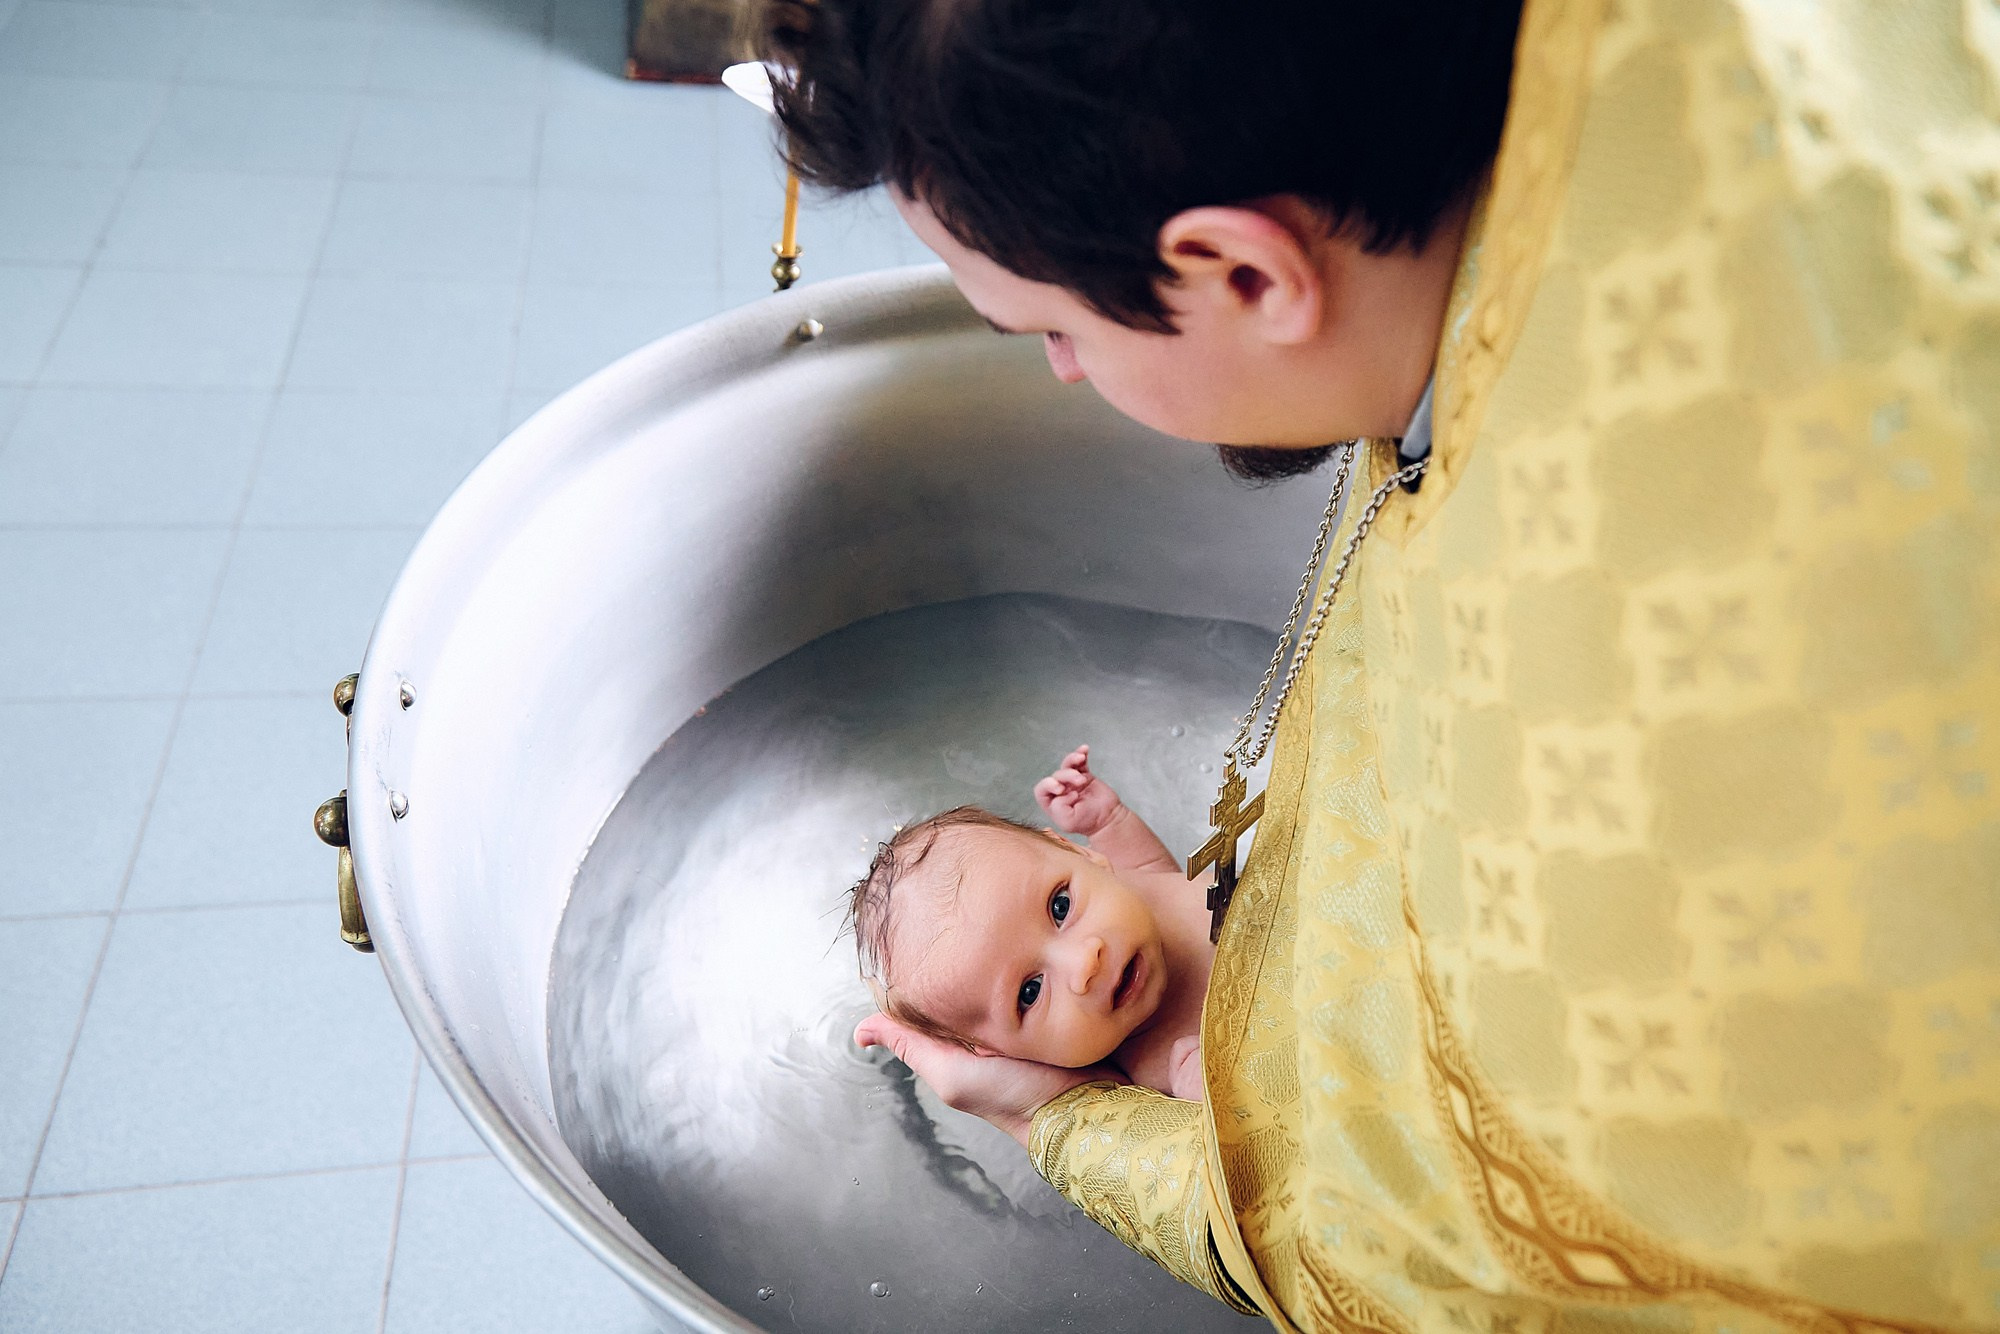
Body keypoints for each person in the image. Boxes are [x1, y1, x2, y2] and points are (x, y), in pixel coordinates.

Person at [772, 0, 2000, 1328]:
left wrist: (1051, 1118)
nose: (1066, 371)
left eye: (1049, 332)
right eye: (1026, 986)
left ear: (1246, 275)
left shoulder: (1606, 787)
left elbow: (1407, 1251)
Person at [851, 747, 1212, 1101]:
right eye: (1030, 992)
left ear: (1081, 853)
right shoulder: (1152, 1079)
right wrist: (1209, 1098)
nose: (1084, 964)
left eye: (1060, 907)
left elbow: (1156, 872)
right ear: (1002, 1054)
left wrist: (1109, 822)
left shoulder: (1131, 889)